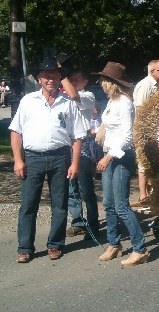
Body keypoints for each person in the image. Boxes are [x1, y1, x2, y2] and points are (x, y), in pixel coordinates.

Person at [9, 56, 86, 263]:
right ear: (39, 79)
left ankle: (55, 244)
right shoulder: (28, 101)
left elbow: (77, 136)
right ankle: (25, 248)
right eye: (45, 76)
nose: (50, 79)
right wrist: (18, 160)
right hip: (33, 159)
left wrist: (75, 163)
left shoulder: (67, 104)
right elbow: (16, 132)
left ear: (60, 78)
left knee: (59, 205)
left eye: (54, 76)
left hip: (60, 158)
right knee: (28, 205)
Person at [94, 62, 149, 266]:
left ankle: (139, 248)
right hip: (109, 154)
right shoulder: (111, 102)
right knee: (108, 204)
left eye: (104, 80)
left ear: (112, 82)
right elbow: (110, 127)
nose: (101, 83)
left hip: (121, 157)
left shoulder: (125, 103)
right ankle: (114, 243)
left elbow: (127, 136)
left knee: (121, 205)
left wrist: (108, 156)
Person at [61, 69, 100, 239]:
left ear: (85, 82)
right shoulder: (63, 99)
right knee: (71, 188)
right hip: (67, 144)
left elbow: (73, 94)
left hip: (83, 145)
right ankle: (77, 221)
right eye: (72, 79)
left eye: (78, 79)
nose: (74, 82)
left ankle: (93, 224)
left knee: (86, 188)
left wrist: (61, 74)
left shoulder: (88, 96)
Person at [133, 59, 159, 203]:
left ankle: (152, 192)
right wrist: (144, 131)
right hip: (145, 128)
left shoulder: (155, 86)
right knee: (144, 161)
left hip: (153, 127)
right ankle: (143, 194)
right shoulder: (145, 85)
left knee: (153, 160)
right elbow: (140, 109)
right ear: (152, 71)